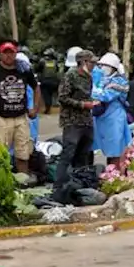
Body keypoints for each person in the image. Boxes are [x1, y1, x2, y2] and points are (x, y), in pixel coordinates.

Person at [0, 42, 42, 174]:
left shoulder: (23, 70)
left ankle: (22, 182)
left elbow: (36, 87)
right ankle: (1, 183)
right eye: (5, 52)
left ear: (15, 53)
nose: (8, 56)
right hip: (2, 119)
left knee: (23, 154)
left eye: (11, 52)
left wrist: (35, 108)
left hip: (21, 117)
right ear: (0, 54)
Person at [54, 50, 99, 203]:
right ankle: (58, 189)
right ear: (83, 62)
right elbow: (62, 97)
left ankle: (80, 186)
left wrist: (93, 102)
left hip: (86, 120)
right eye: (91, 62)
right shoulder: (71, 75)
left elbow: (87, 95)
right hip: (72, 122)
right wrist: (82, 105)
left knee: (83, 156)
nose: (93, 65)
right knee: (68, 155)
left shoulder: (89, 77)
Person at [92, 52, 132, 166]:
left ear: (114, 68)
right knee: (104, 146)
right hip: (102, 118)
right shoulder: (102, 79)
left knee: (115, 149)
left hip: (114, 117)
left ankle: (114, 175)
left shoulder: (120, 82)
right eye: (101, 66)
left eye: (105, 66)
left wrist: (95, 89)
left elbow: (105, 96)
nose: (102, 68)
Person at [37, 49, 60, 113]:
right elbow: (57, 70)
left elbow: (38, 69)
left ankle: (48, 107)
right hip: (54, 81)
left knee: (46, 95)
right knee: (51, 94)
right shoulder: (55, 62)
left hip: (45, 81)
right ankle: (52, 104)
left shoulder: (42, 61)